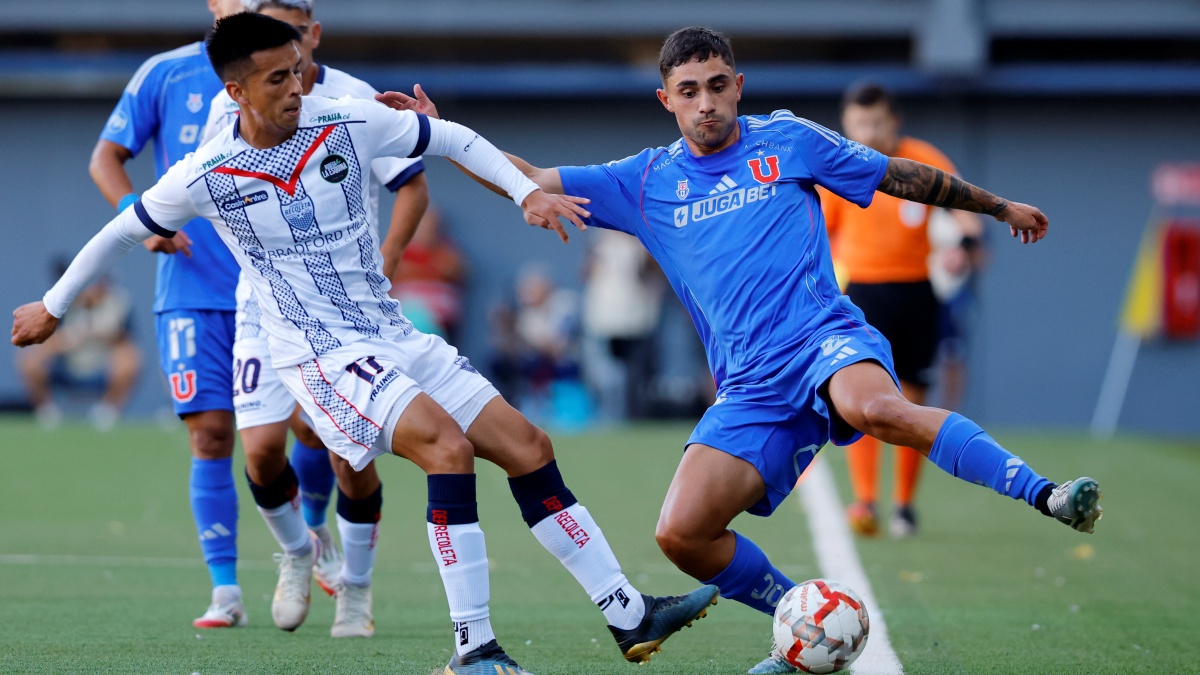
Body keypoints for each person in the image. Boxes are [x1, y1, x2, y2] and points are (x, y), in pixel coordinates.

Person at [378, 26, 1103, 674]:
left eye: (718, 86)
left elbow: (896, 176)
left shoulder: (789, 140)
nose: (706, 103)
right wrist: (444, 138)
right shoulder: (646, 180)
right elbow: (529, 178)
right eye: (689, 91)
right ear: (667, 99)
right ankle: (804, 622)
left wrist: (998, 205)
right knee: (682, 532)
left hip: (826, 337)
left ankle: (1044, 492)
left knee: (875, 405)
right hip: (750, 386)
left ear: (738, 86)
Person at [13, 14, 717, 673]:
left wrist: (521, 192)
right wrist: (52, 305)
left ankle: (627, 613)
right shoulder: (207, 172)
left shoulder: (343, 119)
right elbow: (117, 232)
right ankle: (475, 647)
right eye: (278, 78)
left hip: (390, 331)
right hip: (320, 356)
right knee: (448, 448)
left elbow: (452, 140)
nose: (298, 86)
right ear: (236, 91)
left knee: (529, 446)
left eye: (299, 69)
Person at [198, 0, 431, 637]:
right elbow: (205, 188)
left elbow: (412, 181)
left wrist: (384, 261)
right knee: (262, 453)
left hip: (345, 311)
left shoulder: (356, 100)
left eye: (294, 40)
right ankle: (302, 553)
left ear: (313, 34)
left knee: (345, 454)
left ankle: (355, 587)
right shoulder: (231, 106)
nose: (289, 68)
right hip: (264, 307)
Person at [87, 0, 252, 628]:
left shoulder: (291, 71)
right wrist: (142, 220)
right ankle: (226, 590)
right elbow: (106, 156)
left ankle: (306, 545)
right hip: (192, 287)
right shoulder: (167, 73)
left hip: (280, 290)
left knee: (306, 435)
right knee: (211, 433)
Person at [821, 82, 985, 539]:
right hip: (862, 294)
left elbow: (963, 209)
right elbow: (821, 228)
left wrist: (966, 246)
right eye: (857, 124)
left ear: (894, 122)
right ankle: (864, 499)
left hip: (916, 291)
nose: (867, 133)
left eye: (875, 123)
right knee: (861, 396)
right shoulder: (843, 167)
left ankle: (904, 505)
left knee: (912, 398)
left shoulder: (922, 159)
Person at [16, 269, 140, 431]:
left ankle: (107, 413)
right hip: (66, 365)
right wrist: (66, 340)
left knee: (130, 357)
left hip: (103, 366)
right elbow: (48, 341)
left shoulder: (120, 303)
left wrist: (101, 335)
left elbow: (126, 342)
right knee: (29, 358)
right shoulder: (62, 303)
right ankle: (46, 412)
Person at [582, 229, 664, 422]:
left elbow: (650, 270)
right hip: (605, 317)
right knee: (608, 373)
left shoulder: (640, 238)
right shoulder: (601, 240)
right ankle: (609, 416)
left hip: (636, 317)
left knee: (637, 375)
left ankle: (634, 416)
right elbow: (586, 272)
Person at [389, 206, 466, 339]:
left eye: (431, 226)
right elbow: (388, 276)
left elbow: (456, 271)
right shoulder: (399, 252)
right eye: (422, 225)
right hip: (407, 314)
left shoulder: (446, 251)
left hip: (439, 318)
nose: (427, 230)